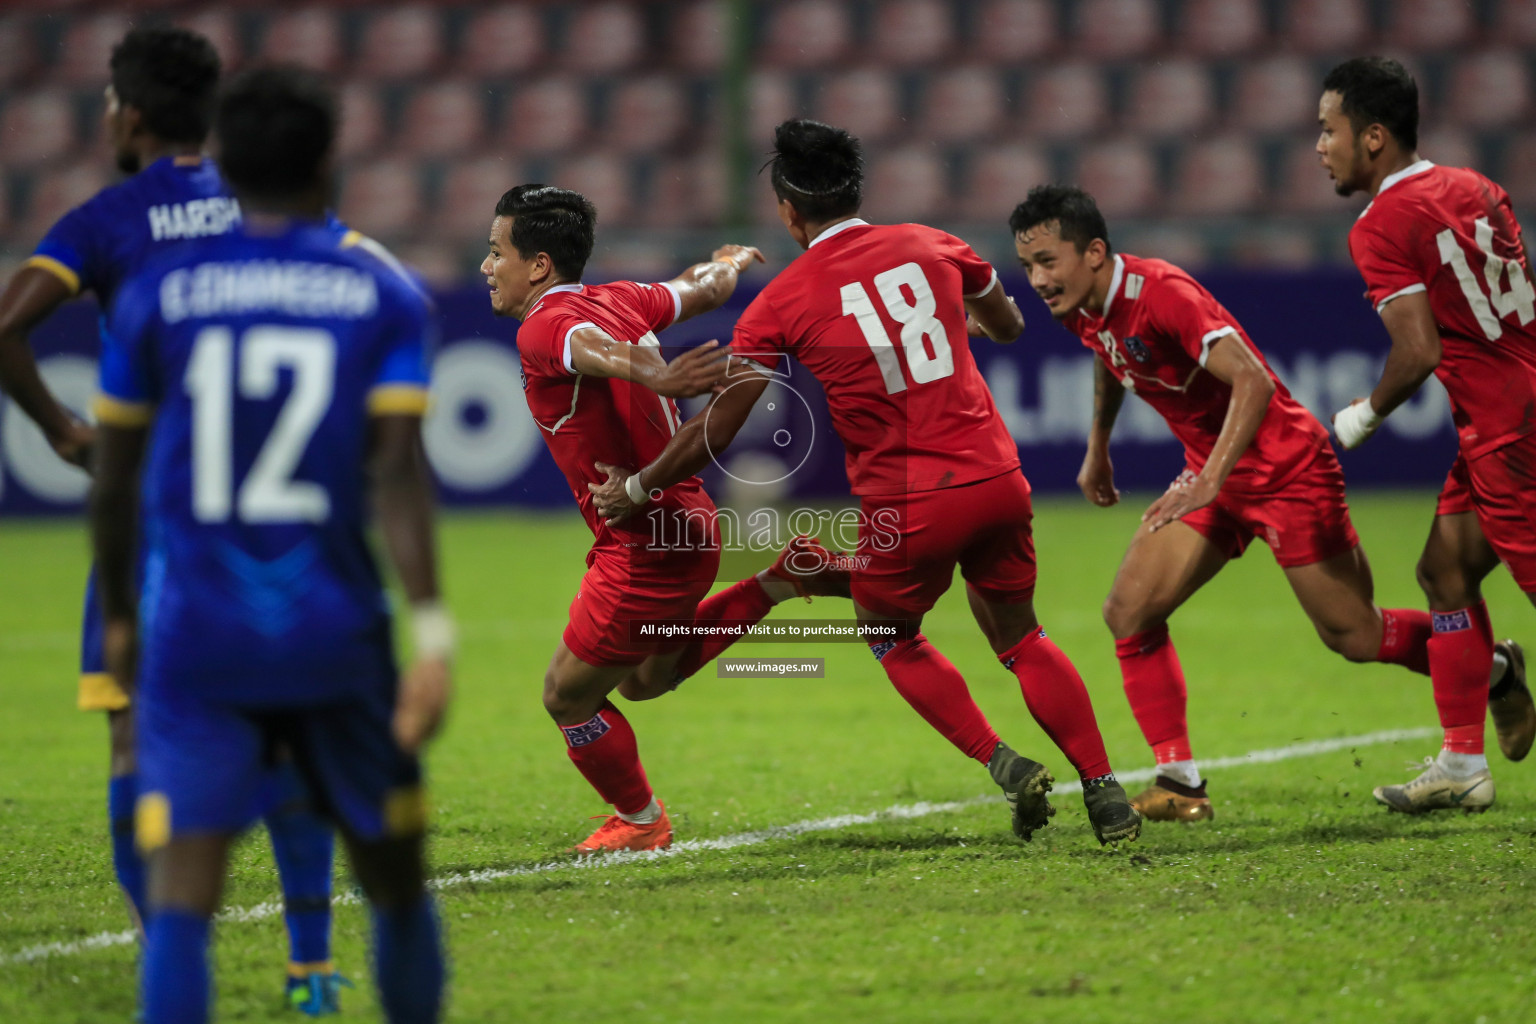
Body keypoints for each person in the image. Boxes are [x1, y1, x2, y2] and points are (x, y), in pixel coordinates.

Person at [590, 120, 1141, 846]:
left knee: (892, 635)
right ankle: (1106, 792)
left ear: (789, 212)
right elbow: (1006, 327)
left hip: (910, 500)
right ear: (857, 190)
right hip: (997, 478)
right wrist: (953, 328)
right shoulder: (935, 243)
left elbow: (715, 432)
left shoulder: (780, 302)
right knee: (1020, 636)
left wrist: (637, 489)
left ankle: (1003, 762)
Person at [90, 66, 450, 1023]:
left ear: (228, 168)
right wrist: (434, 633)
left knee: (182, 899)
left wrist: (122, 620)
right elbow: (398, 474)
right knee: (397, 882)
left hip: (197, 636)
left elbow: (116, 482)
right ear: (330, 159)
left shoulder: (160, 293)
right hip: (336, 634)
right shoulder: (380, 293)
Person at [0, 27, 347, 1012]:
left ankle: (168, 956)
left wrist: (68, 433)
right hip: (274, 516)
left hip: (157, 516)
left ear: (133, 113)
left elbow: (5, 326)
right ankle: (311, 967)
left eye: (111, 100)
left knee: (130, 742)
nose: (108, 114)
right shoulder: (270, 205)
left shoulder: (109, 218)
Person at [1006, 184, 1524, 823]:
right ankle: (1180, 781)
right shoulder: (1082, 306)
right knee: (1129, 612)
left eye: (1047, 262)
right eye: (1028, 266)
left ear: (1092, 252)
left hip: (1286, 468)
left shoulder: (1161, 292)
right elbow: (1112, 359)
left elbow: (1250, 377)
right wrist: (1099, 446)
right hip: (1216, 474)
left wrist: (1209, 480)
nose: (1037, 279)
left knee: (1356, 635)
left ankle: (1494, 668)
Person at [483, 183, 850, 854]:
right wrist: (732, 263)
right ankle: (783, 579)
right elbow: (698, 289)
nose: (487, 267)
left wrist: (651, 373)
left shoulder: (546, 323)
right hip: (689, 528)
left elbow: (589, 347)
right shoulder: (622, 297)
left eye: (496, 251)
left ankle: (641, 819)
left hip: (642, 542)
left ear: (538, 265)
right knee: (644, 677)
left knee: (567, 697)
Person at [1319, 56, 1536, 813]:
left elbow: (1419, 351)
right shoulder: (1480, 187)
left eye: (1330, 129)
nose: (1320, 145)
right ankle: (1462, 762)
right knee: (1444, 572)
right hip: (1504, 417)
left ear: (1374, 137)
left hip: (1512, 436)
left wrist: (1362, 415)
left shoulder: (1380, 223)